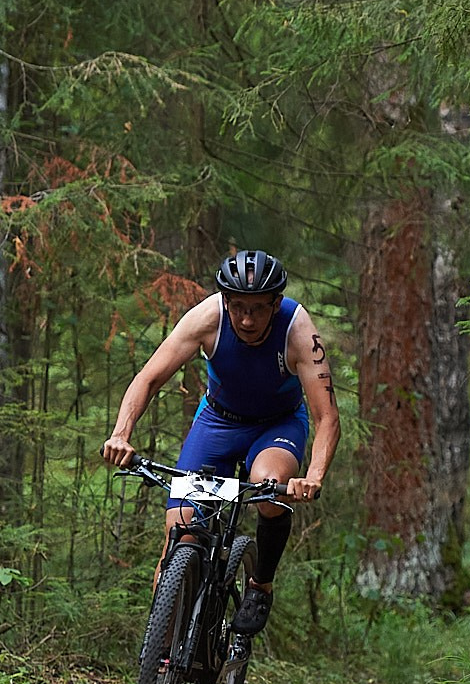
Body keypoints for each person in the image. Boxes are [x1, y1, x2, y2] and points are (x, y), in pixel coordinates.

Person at [100, 249, 340, 637]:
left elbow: (327, 416)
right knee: (180, 532)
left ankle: (260, 585)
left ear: (275, 304)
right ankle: (163, 651)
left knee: (267, 487)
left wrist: (312, 475)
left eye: (258, 309)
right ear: (226, 301)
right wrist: (120, 434)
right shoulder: (206, 318)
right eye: (238, 307)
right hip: (217, 421)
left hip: (276, 425)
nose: (246, 319)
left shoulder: (297, 330)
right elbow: (149, 378)